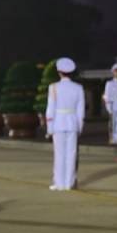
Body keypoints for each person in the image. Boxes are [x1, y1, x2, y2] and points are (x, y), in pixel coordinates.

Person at [45, 58, 85, 191]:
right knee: (71, 153)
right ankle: (69, 183)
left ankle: (59, 183)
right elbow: (81, 110)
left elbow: (50, 109)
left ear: (59, 72)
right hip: (73, 122)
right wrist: (79, 126)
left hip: (58, 123)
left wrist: (49, 127)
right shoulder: (78, 88)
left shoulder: (54, 87)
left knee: (59, 154)